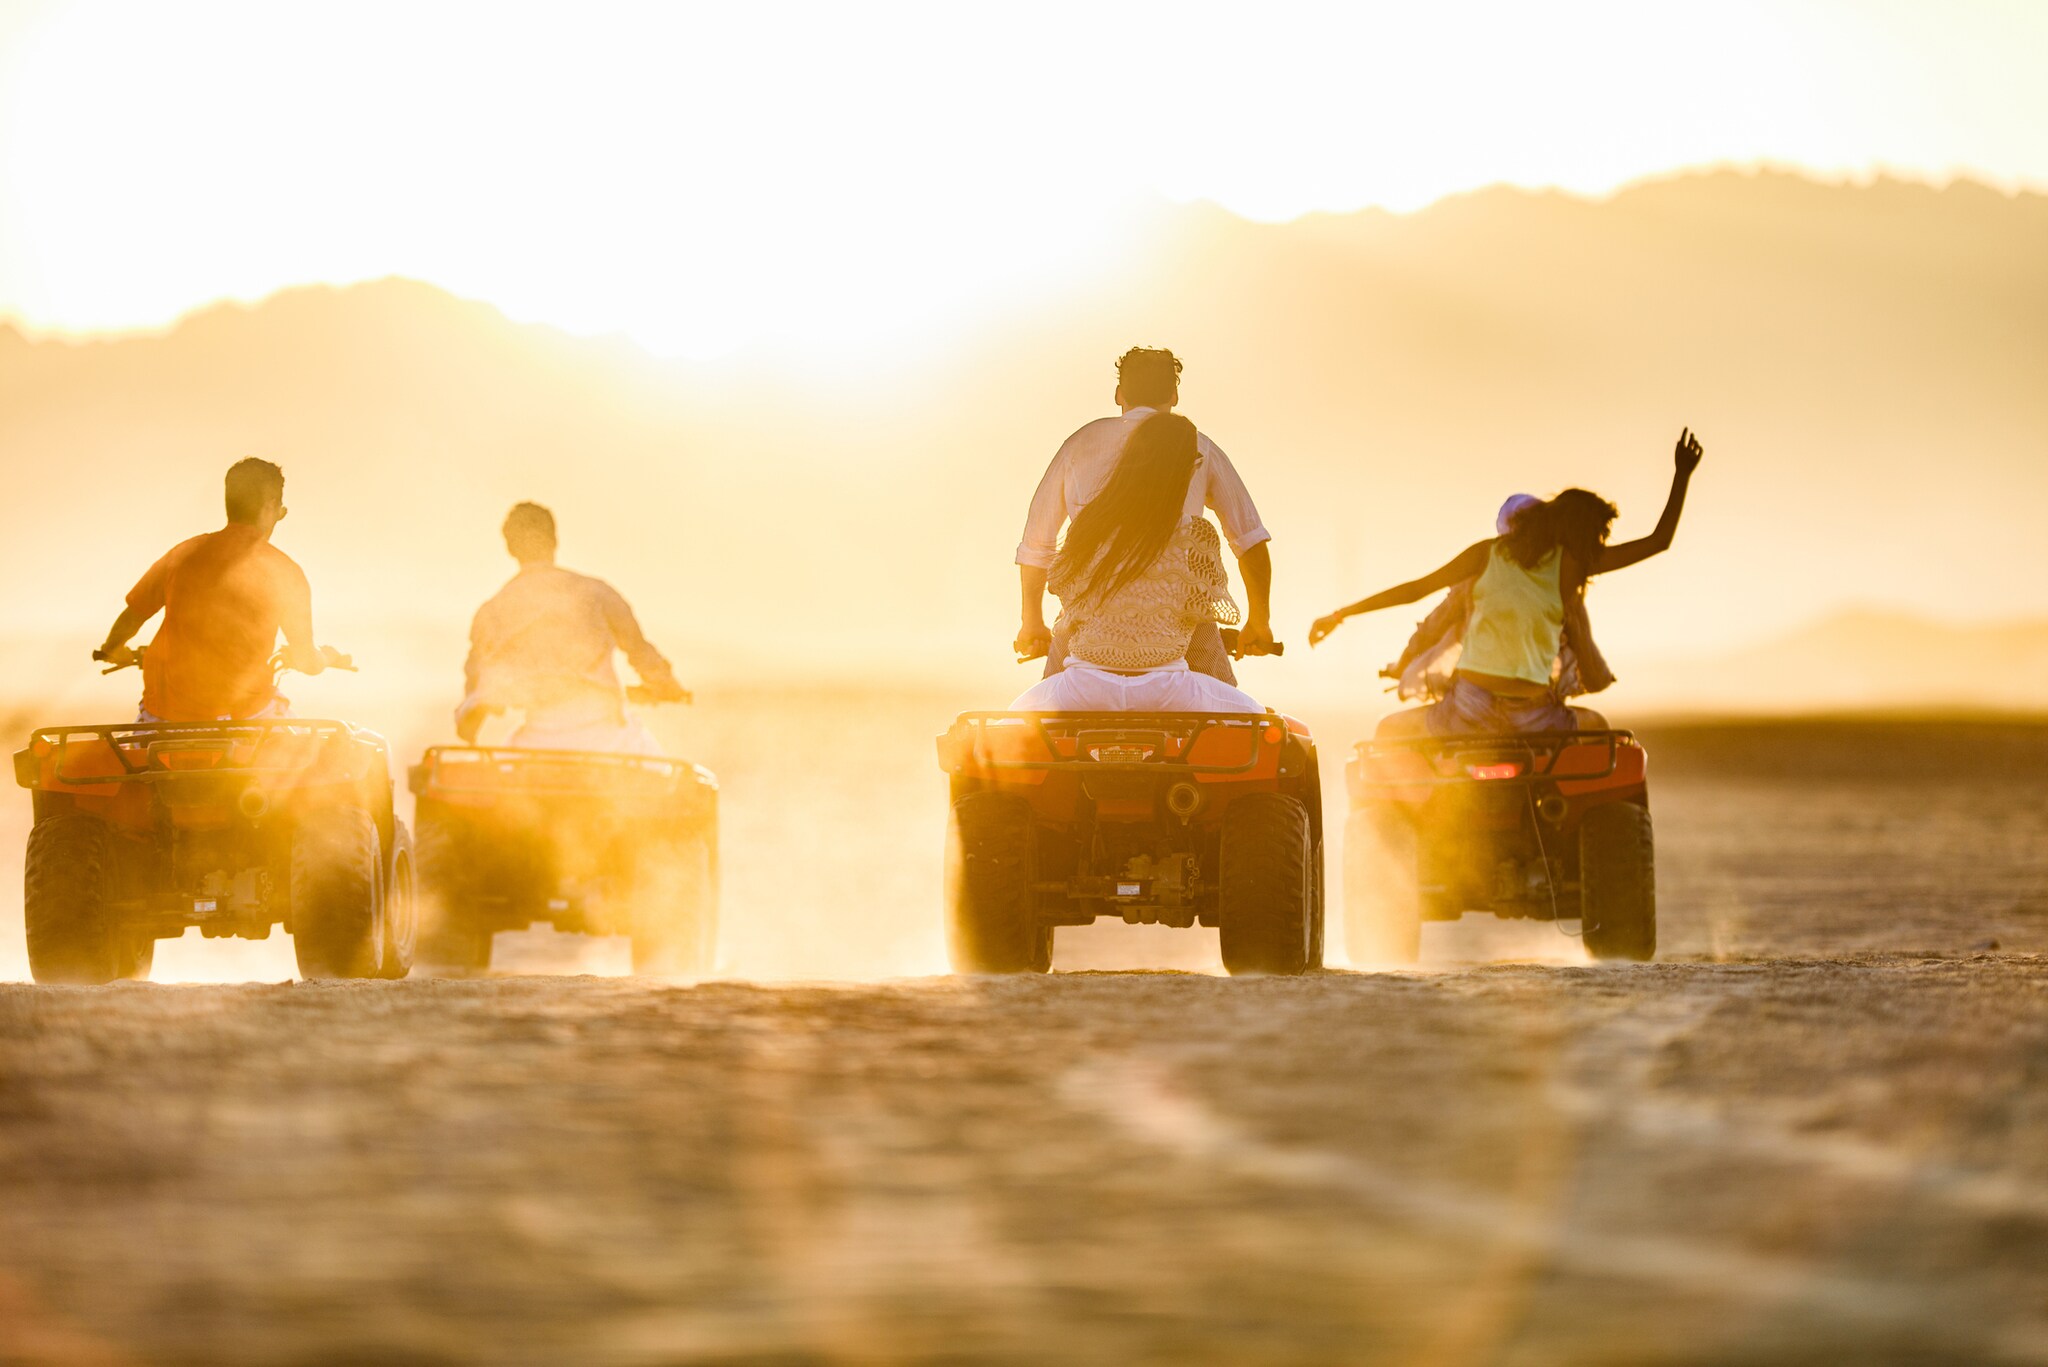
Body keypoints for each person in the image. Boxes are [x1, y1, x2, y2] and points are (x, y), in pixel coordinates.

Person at [1310, 428, 1704, 736]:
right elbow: (1659, 541)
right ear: (1581, 532)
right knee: (1598, 728)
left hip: (1469, 707)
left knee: (1388, 732)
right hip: (1535, 716)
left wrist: (1340, 614)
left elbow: (1416, 589)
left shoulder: (1485, 555)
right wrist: (1682, 475)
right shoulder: (1573, 566)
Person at [1016, 348, 1273, 684]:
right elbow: (1249, 540)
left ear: (1119, 394)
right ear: (1174, 395)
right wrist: (1259, 622)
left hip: (1088, 617)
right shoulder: (1197, 446)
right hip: (1181, 620)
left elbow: (1038, 543)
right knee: (1227, 722)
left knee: (1047, 721)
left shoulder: (1080, 444)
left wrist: (1032, 622)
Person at [97, 457, 336, 722]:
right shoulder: (285, 571)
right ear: (270, 506)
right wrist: (325, 658)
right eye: (281, 509)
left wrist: (113, 649)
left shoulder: (183, 554)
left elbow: (132, 616)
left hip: (163, 717)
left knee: (138, 753)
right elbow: (305, 660)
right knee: (306, 753)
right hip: (243, 718)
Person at [458, 502, 689, 754]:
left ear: (510, 548)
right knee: (667, 781)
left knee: (501, 777)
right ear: (554, 540)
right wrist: (667, 686)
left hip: (536, 741)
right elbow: (640, 651)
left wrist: (477, 713)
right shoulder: (595, 592)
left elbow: (476, 684)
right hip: (608, 738)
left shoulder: (492, 611)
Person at [1385, 493, 1614, 702]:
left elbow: (1432, 627)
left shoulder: (1474, 581)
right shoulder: (1563, 585)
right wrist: (1599, 678)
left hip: (1475, 701)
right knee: (1599, 731)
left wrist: (1401, 666)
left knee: (1392, 733)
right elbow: (1586, 653)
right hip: (1539, 707)